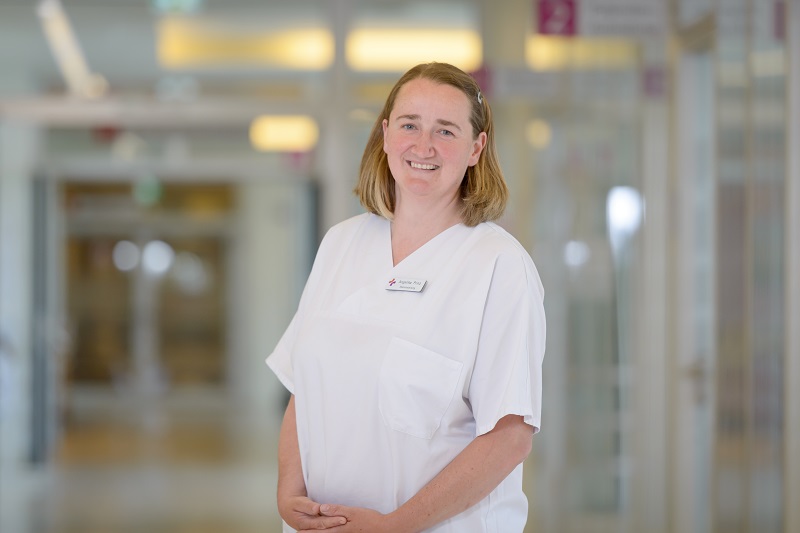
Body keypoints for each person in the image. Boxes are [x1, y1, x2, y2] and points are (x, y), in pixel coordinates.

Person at [266, 61, 546, 533]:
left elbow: (510, 437)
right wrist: (288, 493)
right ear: (385, 134)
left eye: (446, 131)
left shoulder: (498, 265)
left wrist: (395, 525)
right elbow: (303, 388)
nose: (424, 146)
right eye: (410, 125)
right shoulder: (342, 243)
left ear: (477, 148)